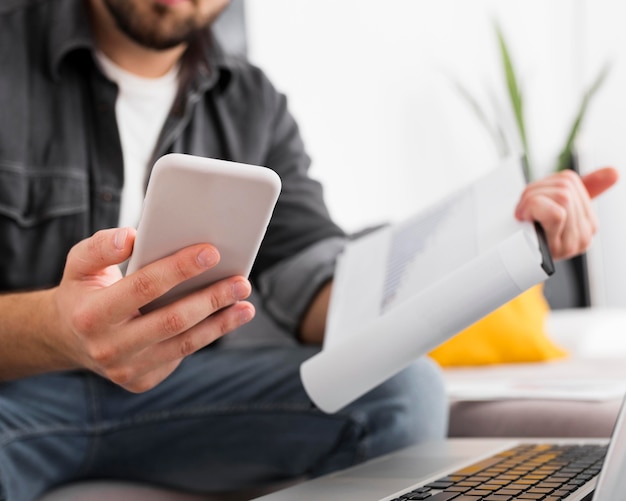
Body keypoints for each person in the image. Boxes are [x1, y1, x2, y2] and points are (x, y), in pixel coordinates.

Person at [0, 0, 618, 500]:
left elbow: (317, 286)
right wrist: (60, 327)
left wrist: (498, 245)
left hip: (188, 391)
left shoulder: (252, 103)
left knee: (405, 391)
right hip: (19, 393)